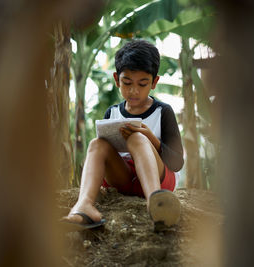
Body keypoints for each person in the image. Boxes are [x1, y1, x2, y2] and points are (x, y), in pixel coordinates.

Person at [63, 40, 184, 231]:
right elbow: (104, 158)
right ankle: (84, 204)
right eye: (127, 83)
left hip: (158, 178)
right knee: (96, 143)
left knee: (137, 138)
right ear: (117, 79)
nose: (134, 90)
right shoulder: (112, 113)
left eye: (142, 84)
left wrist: (151, 138)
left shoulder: (163, 111)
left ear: (154, 82)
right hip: (124, 178)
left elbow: (177, 163)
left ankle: (155, 202)